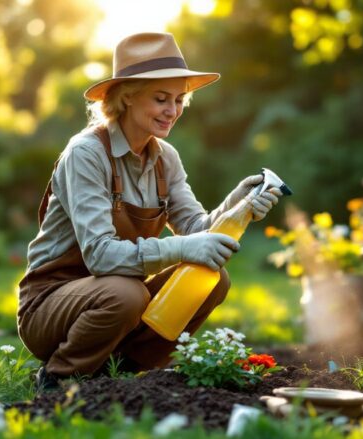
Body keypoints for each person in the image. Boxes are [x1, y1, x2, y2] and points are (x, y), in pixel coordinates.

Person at [17, 32, 282, 390]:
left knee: (212, 279)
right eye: (161, 99)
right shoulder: (86, 154)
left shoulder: (165, 158)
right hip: (50, 305)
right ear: (126, 97)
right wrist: (186, 248)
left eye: (178, 99)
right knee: (127, 293)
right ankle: (58, 377)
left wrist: (239, 204)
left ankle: (122, 375)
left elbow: (195, 228)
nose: (172, 111)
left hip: (113, 303)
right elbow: (99, 256)